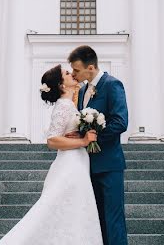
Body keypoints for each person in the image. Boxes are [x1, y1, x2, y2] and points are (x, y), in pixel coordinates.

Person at [0, 64, 102, 245]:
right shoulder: (63, 106)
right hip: (70, 164)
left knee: (74, 210)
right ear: (61, 85)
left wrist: (83, 133)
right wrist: (83, 142)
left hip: (78, 162)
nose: (72, 74)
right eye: (67, 74)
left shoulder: (69, 104)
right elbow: (52, 140)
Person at [67, 45, 129, 245]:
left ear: (91, 67)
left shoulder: (113, 85)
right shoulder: (83, 89)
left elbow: (120, 121)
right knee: (96, 221)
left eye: (76, 70)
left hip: (110, 165)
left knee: (114, 220)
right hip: (88, 166)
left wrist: (95, 139)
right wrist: (77, 135)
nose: (74, 74)